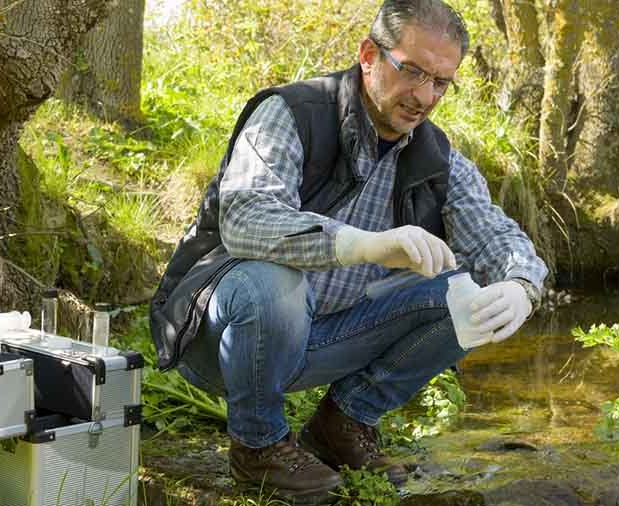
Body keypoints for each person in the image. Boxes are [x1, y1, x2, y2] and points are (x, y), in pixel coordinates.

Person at [149, 0, 549, 502]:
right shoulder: (292, 113)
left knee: (469, 297)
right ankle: (258, 446)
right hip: (222, 338)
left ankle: (343, 425)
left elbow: (497, 238)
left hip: (329, 339)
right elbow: (246, 218)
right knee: (274, 281)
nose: (425, 96)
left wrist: (521, 285)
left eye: (441, 82)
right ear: (368, 55)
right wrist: (361, 245)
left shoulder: (439, 158)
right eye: (412, 71)